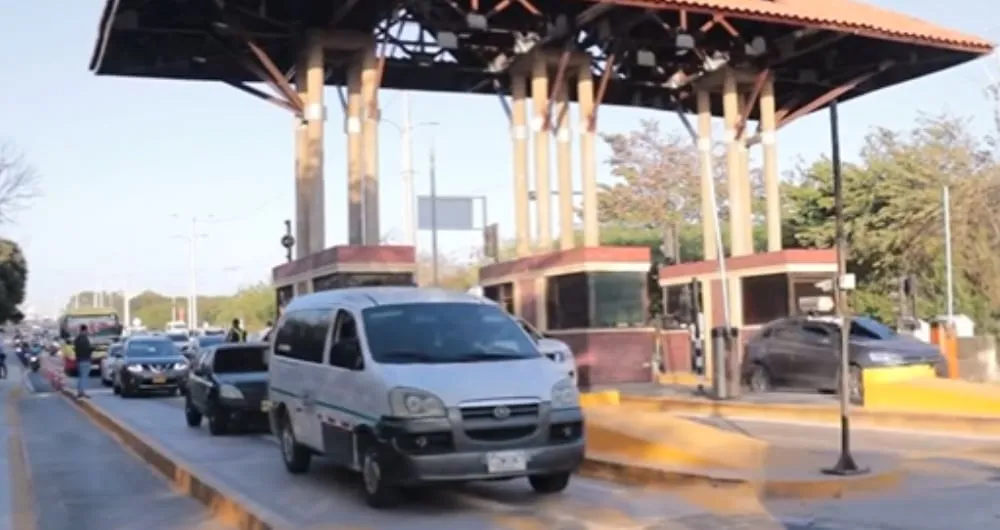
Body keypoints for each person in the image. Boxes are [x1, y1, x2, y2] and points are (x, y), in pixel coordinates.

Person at [73, 324, 94, 398]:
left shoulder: (77, 339)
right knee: (84, 376)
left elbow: (75, 349)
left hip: (79, 359)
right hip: (85, 359)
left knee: (80, 376)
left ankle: (79, 391)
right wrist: (92, 349)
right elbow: (87, 349)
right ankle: (82, 392)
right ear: (85, 330)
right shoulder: (85, 339)